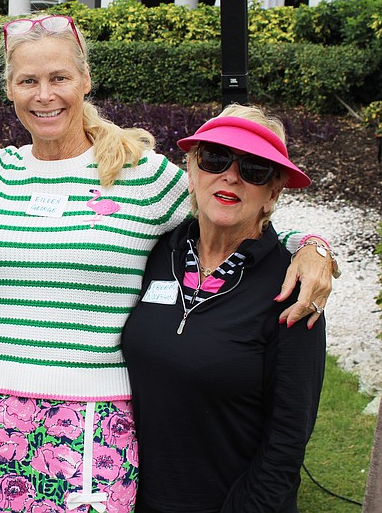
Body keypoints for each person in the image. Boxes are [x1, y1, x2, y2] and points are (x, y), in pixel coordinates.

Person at [0, 15, 336, 512]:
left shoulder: (142, 175)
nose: (45, 95)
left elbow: (234, 209)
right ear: (10, 90)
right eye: (28, 81)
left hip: (89, 423)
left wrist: (312, 246)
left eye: (59, 77)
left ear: (85, 81)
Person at [121, 105, 327, 512]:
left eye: (255, 169)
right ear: (192, 171)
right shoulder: (157, 253)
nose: (231, 175)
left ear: (273, 193)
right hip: (133, 499)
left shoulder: (292, 286)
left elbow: (287, 440)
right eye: (215, 158)